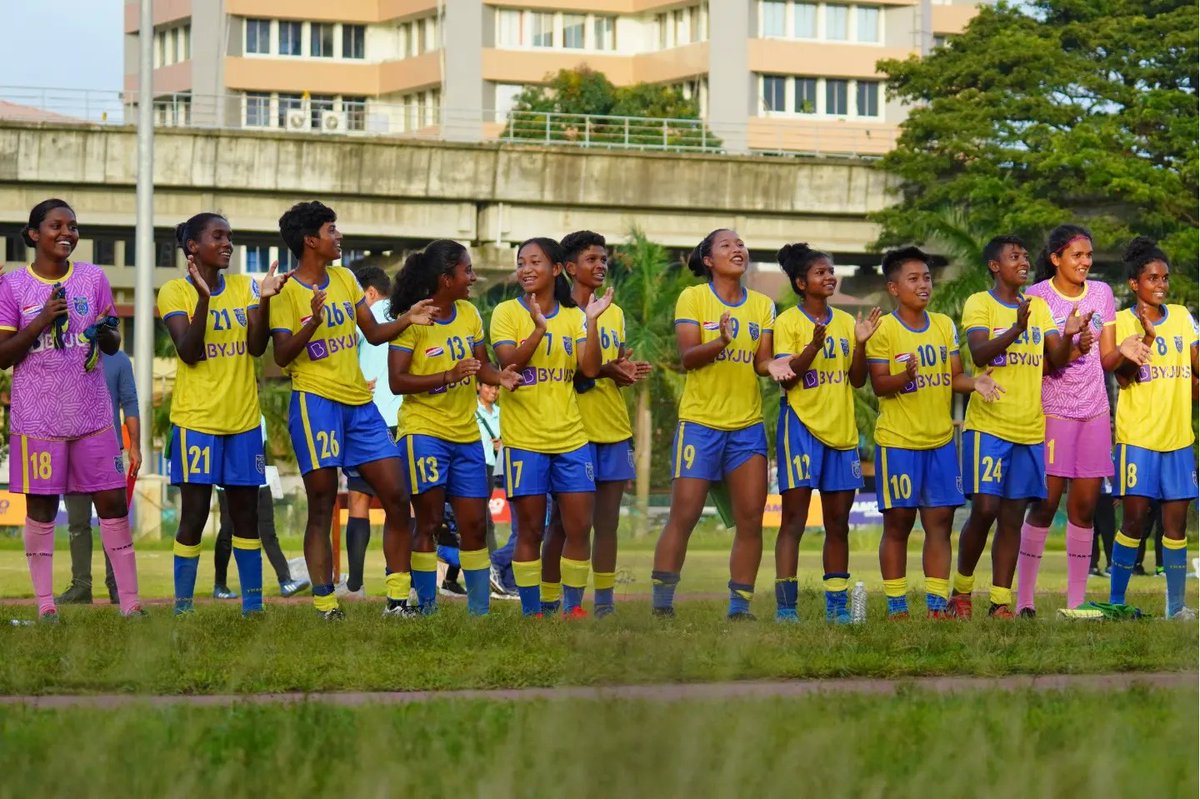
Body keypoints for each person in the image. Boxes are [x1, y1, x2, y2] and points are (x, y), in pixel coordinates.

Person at [270, 201, 433, 620]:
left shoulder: (344, 278)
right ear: (311, 241)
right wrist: (311, 321)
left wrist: (409, 318)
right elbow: (282, 356)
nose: (338, 235)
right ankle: (326, 603)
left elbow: (375, 334)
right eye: (331, 229)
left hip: (360, 405)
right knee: (322, 504)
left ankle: (396, 601)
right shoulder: (286, 290)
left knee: (397, 496)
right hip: (315, 403)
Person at [0, 198, 142, 621]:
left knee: (113, 503)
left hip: (92, 416)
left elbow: (112, 343)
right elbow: (4, 357)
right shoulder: (11, 286)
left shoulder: (94, 278)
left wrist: (109, 333)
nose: (67, 233)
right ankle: (45, 607)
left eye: (73, 227)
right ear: (33, 234)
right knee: (42, 509)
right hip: (36, 419)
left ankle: (131, 604)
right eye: (56, 226)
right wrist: (42, 320)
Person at [159, 212, 288, 616]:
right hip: (196, 421)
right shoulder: (174, 292)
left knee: (246, 517)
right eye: (219, 236)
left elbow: (254, 346)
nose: (228, 243)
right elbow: (189, 351)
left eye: (229, 236)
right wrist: (203, 297)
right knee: (194, 516)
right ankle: (182, 607)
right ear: (193, 247)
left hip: (244, 422)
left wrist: (264, 300)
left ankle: (253, 606)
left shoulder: (245, 287)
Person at [865, 246, 1002, 620]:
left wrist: (975, 383)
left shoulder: (943, 324)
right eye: (914, 279)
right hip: (898, 443)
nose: (923, 284)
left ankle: (936, 605)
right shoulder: (884, 330)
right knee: (899, 523)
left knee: (939, 524)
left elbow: (954, 376)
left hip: (941, 441)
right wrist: (904, 377)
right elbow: (879, 386)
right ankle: (896, 605)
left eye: (926, 277)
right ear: (894, 288)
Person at [651, 229, 779, 620]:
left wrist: (774, 365)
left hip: (747, 427)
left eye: (740, 244)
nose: (738, 249)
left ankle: (739, 608)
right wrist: (721, 342)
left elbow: (761, 361)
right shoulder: (693, 298)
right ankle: (661, 606)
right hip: (701, 424)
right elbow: (688, 356)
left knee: (751, 520)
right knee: (684, 514)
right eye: (727, 245)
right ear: (708, 260)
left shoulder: (763, 305)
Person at [388, 239, 519, 616]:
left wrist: (502, 376)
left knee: (475, 524)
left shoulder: (470, 314)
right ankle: (428, 608)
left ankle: (479, 612)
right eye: (467, 271)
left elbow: (481, 367)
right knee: (427, 522)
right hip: (423, 432)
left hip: (466, 437)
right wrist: (447, 374)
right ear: (446, 278)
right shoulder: (414, 319)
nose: (473, 277)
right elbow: (398, 381)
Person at [952, 235, 1080, 618]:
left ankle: (1000, 602)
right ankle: (960, 592)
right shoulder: (981, 303)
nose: (1023, 261)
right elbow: (978, 353)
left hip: (1029, 429)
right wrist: (1016, 329)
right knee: (985, 509)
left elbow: (1054, 360)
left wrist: (1072, 335)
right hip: (989, 426)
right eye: (1014, 256)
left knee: (1012, 516)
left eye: (1025, 256)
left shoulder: (1038, 307)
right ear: (995, 265)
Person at [490, 237, 608, 618]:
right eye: (521, 261)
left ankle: (572, 608)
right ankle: (533, 611)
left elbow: (589, 370)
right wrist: (538, 330)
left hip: (571, 437)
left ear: (556, 269)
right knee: (530, 531)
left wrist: (590, 321)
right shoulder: (506, 312)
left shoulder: (574, 315)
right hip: (525, 439)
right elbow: (509, 365)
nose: (526, 268)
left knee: (578, 526)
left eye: (535, 262)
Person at [1017, 224, 1126, 615]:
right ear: (1056, 258)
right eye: (1077, 255)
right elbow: (1038, 363)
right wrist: (1069, 341)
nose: (1085, 262)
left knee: (1083, 508)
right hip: (1052, 411)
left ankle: (1077, 603)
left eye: (1089, 255)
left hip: (1095, 411)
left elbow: (1107, 358)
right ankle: (1025, 600)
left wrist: (1133, 347)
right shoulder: (1036, 297)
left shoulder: (1102, 293)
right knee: (1044, 505)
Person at [769, 242, 880, 623]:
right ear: (801, 283)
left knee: (837, 524)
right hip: (799, 427)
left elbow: (858, 379)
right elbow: (789, 375)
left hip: (841, 433)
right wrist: (813, 346)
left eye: (831, 271)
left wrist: (861, 345)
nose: (829, 277)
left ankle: (837, 608)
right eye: (820, 272)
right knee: (794, 522)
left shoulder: (847, 322)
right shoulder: (786, 322)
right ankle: (786, 609)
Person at [544, 231, 650, 618]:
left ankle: (604, 604)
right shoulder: (557, 313)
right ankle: (551, 601)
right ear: (570, 268)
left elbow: (609, 365)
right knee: (567, 523)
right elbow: (570, 373)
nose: (601, 265)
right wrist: (606, 369)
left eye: (603, 259)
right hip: (573, 431)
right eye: (591, 259)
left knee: (607, 524)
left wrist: (625, 370)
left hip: (614, 428)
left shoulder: (614, 311)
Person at [1105, 237, 1196, 619]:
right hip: (1139, 439)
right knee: (1135, 519)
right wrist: (1143, 341)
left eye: (1165, 278)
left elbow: (1195, 369)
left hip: (1179, 440)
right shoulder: (1123, 322)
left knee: (1176, 525)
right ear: (1134, 284)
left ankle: (1176, 608)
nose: (1161, 284)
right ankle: (1115, 602)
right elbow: (1124, 379)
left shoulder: (1181, 316)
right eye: (1152, 278)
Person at [56, 349, 141, 605]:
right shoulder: (66, 353)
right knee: (77, 523)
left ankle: (117, 586)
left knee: (113, 522)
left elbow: (130, 402)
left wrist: (135, 445)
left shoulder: (119, 359)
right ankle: (81, 587)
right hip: (72, 448)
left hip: (108, 451)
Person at [338, 264, 402, 600]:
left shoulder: (367, 314)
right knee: (402, 504)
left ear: (370, 293)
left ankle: (355, 586)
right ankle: (401, 580)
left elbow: (344, 350)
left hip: (368, 420)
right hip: (404, 421)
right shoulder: (405, 312)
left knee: (359, 500)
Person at [212, 418, 310, 599]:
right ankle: (220, 585)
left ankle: (285, 581)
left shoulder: (260, 416)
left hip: (259, 478)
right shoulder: (226, 408)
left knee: (268, 532)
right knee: (227, 532)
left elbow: (261, 450)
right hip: (229, 480)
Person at [475, 381, 516, 597]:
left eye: (496, 388)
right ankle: (492, 568)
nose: (493, 391)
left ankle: (493, 571)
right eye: (488, 387)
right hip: (474, 464)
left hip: (494, 466)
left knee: (484, 519)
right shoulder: (471, 409)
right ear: (478, 386)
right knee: (481, 519)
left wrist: (503, 443)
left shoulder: (502, 412)